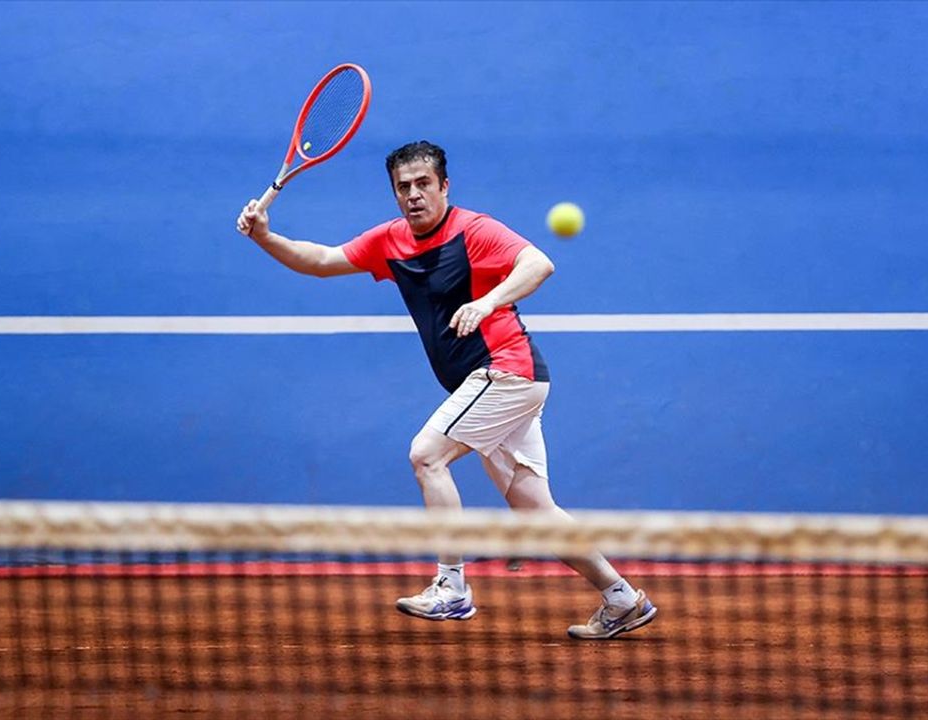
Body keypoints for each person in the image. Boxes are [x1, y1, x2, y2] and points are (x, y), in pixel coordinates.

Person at [234, 140, 655, 640]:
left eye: (423, 184)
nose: (413, 194)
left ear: (444, 186)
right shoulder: (390, 240)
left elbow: (539, 263)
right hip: (500, 382)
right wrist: (265, 236)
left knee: (427, 455)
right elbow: (322, 259)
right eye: (403, 187)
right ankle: (620, 597)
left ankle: (451, 587)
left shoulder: (474, 230)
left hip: (505, 371)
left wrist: (487, 302)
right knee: (534, 507)